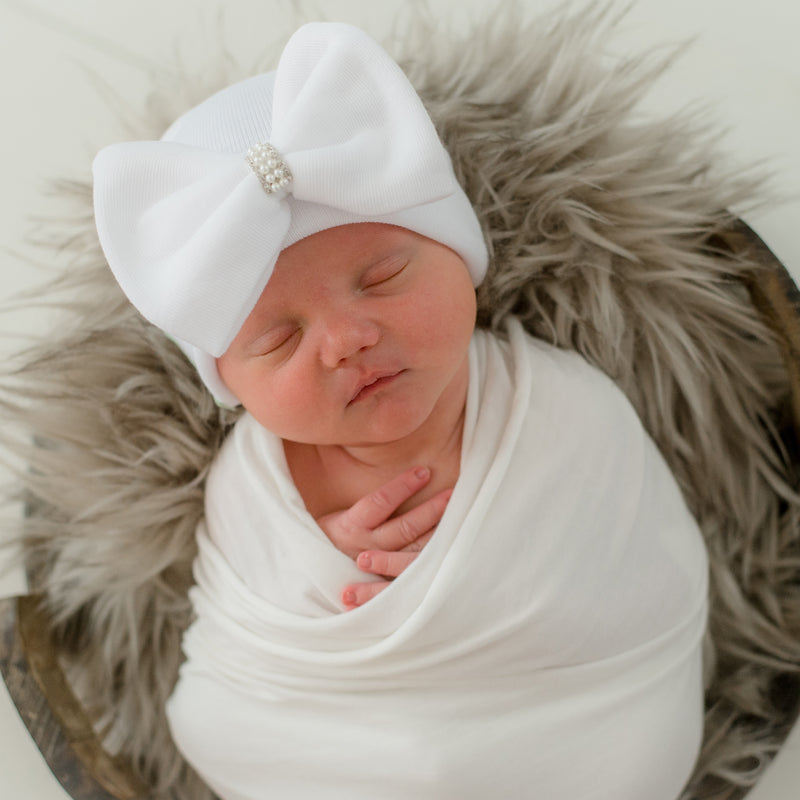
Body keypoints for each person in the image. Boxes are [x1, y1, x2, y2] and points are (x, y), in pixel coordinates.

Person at [92, 21, 709, 800]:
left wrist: (484, 583)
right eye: (280, 340)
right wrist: (324, 564)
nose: (348, 340)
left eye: (381, 277)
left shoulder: (563, 404)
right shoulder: (251, 479)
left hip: (578, 716)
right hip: (336, 744)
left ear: (460, 256)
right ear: (231, 389)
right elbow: (246, 638)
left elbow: (640, 568)